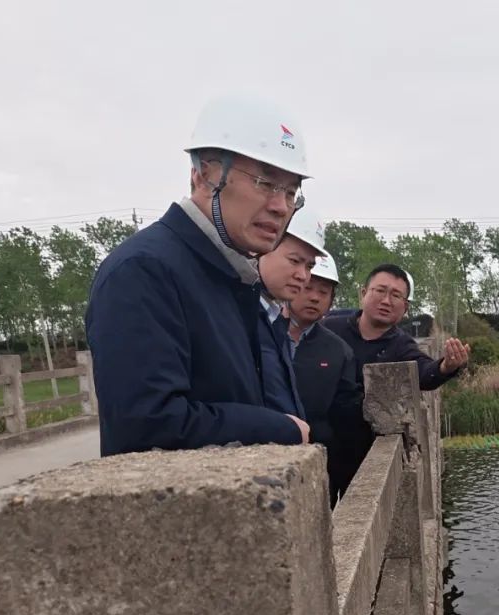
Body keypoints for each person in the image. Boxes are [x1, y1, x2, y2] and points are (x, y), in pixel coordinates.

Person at [86, 94, 315, 455]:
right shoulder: (144, 270)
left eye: (290, 192)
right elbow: (145, 424)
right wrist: (279, 428)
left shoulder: (233, 277)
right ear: (205, 174)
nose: (280, 206)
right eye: (264, 182)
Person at [322, 263, 471, 490]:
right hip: (320, 443)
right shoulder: (329, 328)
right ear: (363, 293)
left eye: (395, 295)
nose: (386, 301)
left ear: (405, 307)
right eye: (380, 291)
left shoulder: (401, 345)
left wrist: (446, 366)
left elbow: (423, 372)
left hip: (364, 452)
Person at [287, 254, 362, 506]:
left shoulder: (338, 351)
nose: (314, 297)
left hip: (315, 465)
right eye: (308, 287)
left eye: (324, 292)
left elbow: (346, 415)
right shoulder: (258, 333)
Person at [253, 205, 327, 417]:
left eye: (309, 267)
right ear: (262, 249)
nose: (303, 275)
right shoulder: (238, 320)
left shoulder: (273, 321)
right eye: (294, 261)